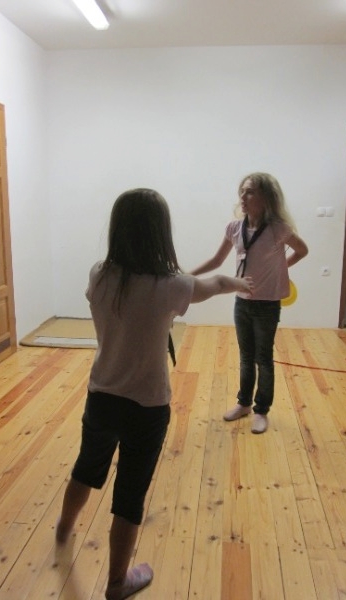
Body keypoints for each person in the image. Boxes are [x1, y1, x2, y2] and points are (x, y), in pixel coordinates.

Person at [55, 188, 253, 600]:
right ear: (161, 232)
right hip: (147, 408)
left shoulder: (99, 274)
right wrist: (239, 282)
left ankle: (63, 530)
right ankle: (116, 583)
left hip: (101, 395)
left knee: (86, 467)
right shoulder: (172, 286)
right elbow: (214, 283)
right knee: (130, 495)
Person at [190, 173, 308, 434]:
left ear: (266, 198)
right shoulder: (234, 228)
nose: (243, 196)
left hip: (268, 304)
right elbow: (216, 261)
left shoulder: (278, 229)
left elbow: (302, 250)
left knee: (263, 358)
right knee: (245, 356)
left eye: (250, 191)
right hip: (242, 302)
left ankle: (261, 410)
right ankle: (243, 403)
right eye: (242, 191)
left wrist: (281, 269)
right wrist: (188, 275)